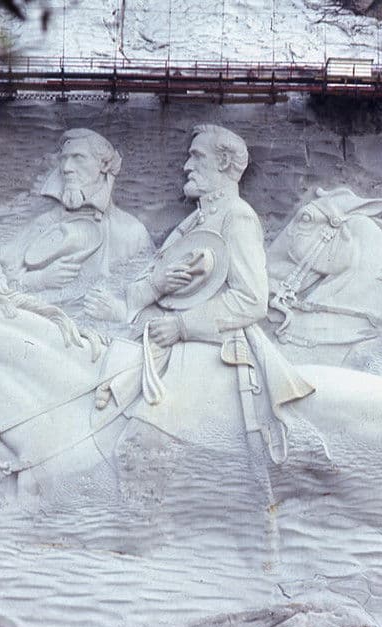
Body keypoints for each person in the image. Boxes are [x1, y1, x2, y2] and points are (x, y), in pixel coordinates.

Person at [85, 125, 313, 459]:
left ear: (223, 163)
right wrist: (148, 291)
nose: (187, 166)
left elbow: (251, 299)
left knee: (146, 439)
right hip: (158, 338)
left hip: (209, 349)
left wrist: (182, 326)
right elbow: (154, 278)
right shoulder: (194, 221)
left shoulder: (237, 216)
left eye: (196, 156)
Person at [0, 128, 151, 297]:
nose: (66, 168)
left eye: (78, 158)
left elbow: (148, 289)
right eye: (64, 159)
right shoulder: (44, 223)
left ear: (105, 165)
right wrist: (39, 279)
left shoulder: (132, 232)